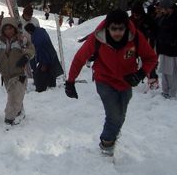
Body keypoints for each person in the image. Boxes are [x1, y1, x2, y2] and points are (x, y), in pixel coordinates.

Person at [64, 9, 158, 155]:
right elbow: (80, 58)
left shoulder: (135, 37)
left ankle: (113, 133)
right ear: (108, 27)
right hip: (104, 80)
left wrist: (140, 74)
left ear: (126, 27)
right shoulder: (98, 38)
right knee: (114, 115)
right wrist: (70, 81)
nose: (117, 33)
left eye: (121, 28)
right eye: (113, 28)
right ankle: (107, 145)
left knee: (120, 115)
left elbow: (151, 58)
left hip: (126, 82)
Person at [0, 17, 35, 127]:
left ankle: (9, 120)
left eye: (11, 28)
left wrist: (26, 56)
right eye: (6, 28)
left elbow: (31, 49)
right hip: (6, 76)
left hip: (19, 75)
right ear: (2, 30)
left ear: (14, 28)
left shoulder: (21, 39)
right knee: (15, 96)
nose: (8, 31)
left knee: (13, 99)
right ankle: (19, 112)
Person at [156, 0, 177, 99]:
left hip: (173, 51)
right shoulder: (163, 18)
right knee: (164, 71)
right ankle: (165, 91)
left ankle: (172, 93)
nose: (161, 10)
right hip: (164, 49)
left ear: (169, 8)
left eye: (163, 8)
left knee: (172, 73)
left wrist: (174, 42)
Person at [24, 23, 63, 92]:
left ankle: (41, 88)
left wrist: (44, 64)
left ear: (29, 31)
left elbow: (42, 51)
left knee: (38, 74)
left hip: (46, 57)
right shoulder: (41, 31)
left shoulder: (37, 39)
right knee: (51, 71)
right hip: (52, 53)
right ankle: (51, 85)